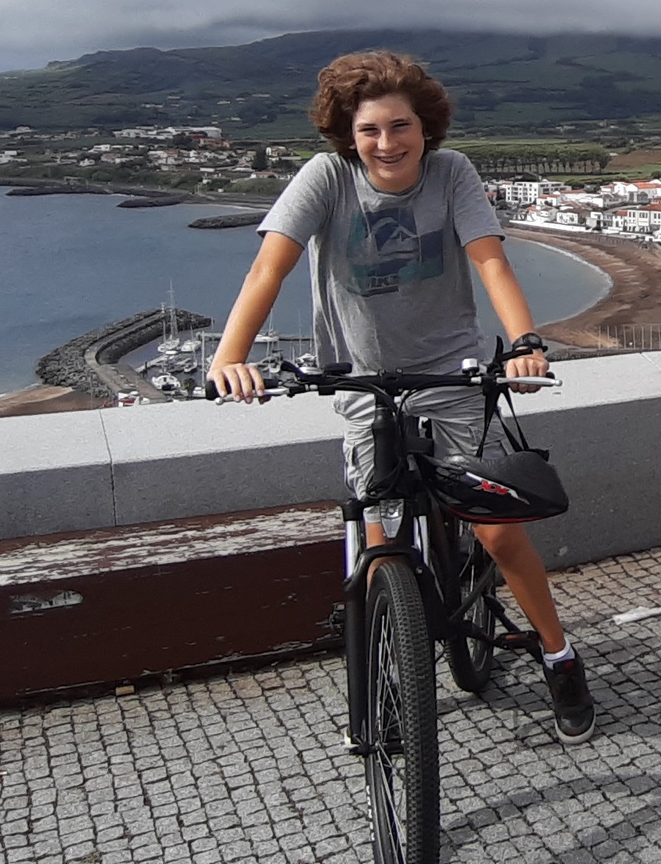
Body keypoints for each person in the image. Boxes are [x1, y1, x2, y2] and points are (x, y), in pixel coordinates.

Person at [208, 49, 596, 742]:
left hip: (448, 373)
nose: (386, 143)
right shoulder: (326, 178)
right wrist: (230, 356)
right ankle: (384, 670)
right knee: (377, 543)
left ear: (425, 126)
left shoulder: (452, 174)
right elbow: (270, 264)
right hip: (362, 380)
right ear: (346, 135)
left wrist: (525, 340)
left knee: (499, 530)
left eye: (399, 126)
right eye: (369, 131)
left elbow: (491, 260)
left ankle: (560, 655)